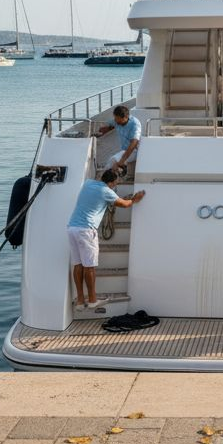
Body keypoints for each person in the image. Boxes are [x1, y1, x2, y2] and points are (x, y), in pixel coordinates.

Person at [67, 169, 145, 310]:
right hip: (86, 230)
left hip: (72, 227)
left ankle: (80, 301)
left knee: (78, 265)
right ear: (111, 182)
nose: (117, 184)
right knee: (89, 267)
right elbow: (124, 204)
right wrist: (135, 199)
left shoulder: (88, 183)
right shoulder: (106, 192)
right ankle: (92, 300)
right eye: (116, 182)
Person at [96, 105, 141, 175]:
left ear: (126, 117)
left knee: (113, 160)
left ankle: (102, 182)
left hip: (135, 151)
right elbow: (111, 125)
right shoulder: (116, 121)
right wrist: (105, 129)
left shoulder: (135, 124)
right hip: (124, 150)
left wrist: (122, 160)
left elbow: (134, 143)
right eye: (115, 119)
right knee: (114, 161)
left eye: (119, 120)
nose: (116, 122)